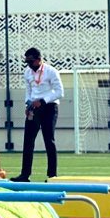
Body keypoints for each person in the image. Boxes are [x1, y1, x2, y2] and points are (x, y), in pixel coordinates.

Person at [11, 47, 64, 183]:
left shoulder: (51, 71)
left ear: (40, 59)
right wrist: (28, 104)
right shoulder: (27, 72)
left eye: (32, 62)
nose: (29, 65)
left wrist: (42, 101)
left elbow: (59, 92)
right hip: (33, 108)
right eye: (27, 62)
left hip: (49, 107)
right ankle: (25, 174)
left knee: (49, 140)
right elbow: (28, 91)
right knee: (28, 141)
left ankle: (52, 175)